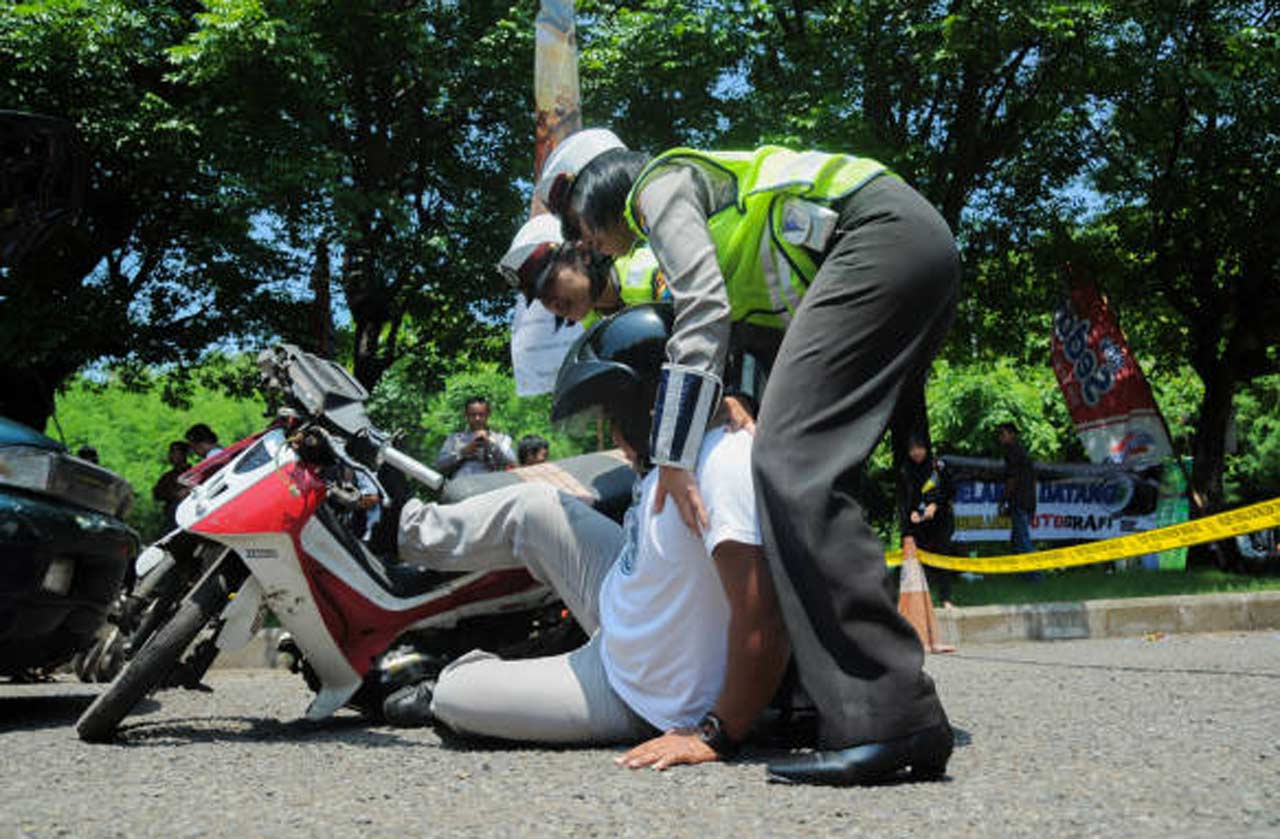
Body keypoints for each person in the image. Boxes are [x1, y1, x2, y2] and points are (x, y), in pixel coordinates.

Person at [537, 130, 957, 785]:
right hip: (903, 245)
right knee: (796, 462)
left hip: (880, 237)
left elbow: (701, 310)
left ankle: (892, 716)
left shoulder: (659, 186)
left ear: (601, 198)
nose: (583, 244)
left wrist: (671, 453)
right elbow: (718, 324)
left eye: (580, 228)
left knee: (790, 461)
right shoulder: (679, 241)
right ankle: (858, 705)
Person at [388, 305, 790, 770]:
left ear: (647, 404)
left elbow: (764, 619)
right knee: (535, 506)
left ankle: (436, 670)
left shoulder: (724, 463)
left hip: (636, 689)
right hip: (626, 606)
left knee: (458, 696)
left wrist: (716, 733)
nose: (612, 432)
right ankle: (399, 532)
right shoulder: (680, 444)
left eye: (614, 416)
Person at [899, 436, 957, 608]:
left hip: (942, 520)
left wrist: (936, 505)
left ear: (927, 448)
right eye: (912, 449)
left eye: (919, 448)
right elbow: (909, 497)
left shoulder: (939, 466)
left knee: (942, 557)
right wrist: (913, 512)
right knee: (917, 561)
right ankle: (920, 601)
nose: (916, 452)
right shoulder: (907, 469)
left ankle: (946, 599)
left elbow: (951, 491)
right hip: (921, 525)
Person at [433, 396, 516, 478]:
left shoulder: (501, 438)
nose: (477, 418)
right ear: (466, 415)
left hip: (492, 486)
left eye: (481, 414)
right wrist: (463, 452)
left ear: (488, 414)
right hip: (462, 486)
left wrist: (492, 445)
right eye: (473, 415)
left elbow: (512, 462)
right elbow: (439, 465)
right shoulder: (455, 439)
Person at [997, 422, 1037, 555]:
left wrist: (1004, 499)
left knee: (1023, 541)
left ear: (1012, 435)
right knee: (1017, 539)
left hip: (1020, 500)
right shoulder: (1021, 451)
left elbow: (1012, 478)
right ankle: (1020, 571)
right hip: (1027, 499)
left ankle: (1036, 574)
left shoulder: (1013, 452)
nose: (1000, 438)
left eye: (1003, 434)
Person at [151, 440, 192, 531]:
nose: (171, 456)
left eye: (175, 452)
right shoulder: (167, 477)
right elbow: (156, 494)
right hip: (172, 517)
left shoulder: (193, 473)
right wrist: (173, 494)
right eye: (171, 452)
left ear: (183, 454)